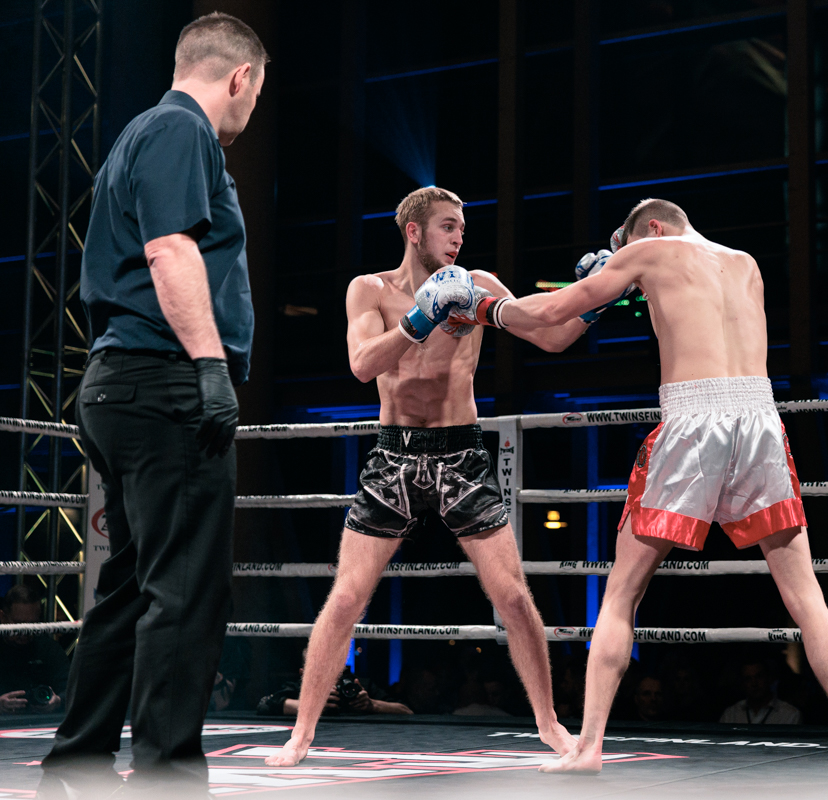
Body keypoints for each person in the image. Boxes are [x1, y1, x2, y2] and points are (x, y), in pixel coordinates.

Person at [467, 198, 828, 777]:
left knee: (621, 594)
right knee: (807, 597)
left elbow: (552, 315)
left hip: (693, 422)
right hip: (760, 421)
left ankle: (588, 748)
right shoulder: (745, 263)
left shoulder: (649, 250)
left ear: (653, 228)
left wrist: (482, 307)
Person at [265, 186, 588, 767]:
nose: (459, 237)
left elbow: (550, 334)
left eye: (462, 227)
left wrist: (595, 298)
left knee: (514, 597)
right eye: (447, 226)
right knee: (346, 598)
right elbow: (362, 364)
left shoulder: (477, 287)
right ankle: (302, 735)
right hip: (394, 454)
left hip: (461, 452)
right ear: (414, 231)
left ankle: (550, 725)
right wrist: (422, 318)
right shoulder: (370, 290)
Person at [39, 12, 266, 794]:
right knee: (186, 588)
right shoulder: (180, 130)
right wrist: (210, 366)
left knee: (134, 584)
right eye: (255, 94)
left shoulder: (139, 133)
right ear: (241, 77)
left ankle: (77, 765)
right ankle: (166, 777)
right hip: (161, 381)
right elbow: (170, 250)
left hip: (123, 385)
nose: (251, 109)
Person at [257, 648, 412, 717]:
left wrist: (372, 705)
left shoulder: (357, 687)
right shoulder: (299, 689)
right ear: (303, 674)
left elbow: (406, 710)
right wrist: (311, 706)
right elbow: (264, 704)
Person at [0, 586, 69, 714]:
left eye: (32, 624)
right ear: (3, 617)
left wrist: (58, 701)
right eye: (19, 624)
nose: (25, 631)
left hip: (42, 721)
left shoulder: (48, 648)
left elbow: (71, 689)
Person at [719, 660, 801, 725]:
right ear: (742, 683)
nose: (754, 683)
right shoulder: (731, 714)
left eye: (759, 676)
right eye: (748, 679)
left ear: (769, 678)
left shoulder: (790, 714)